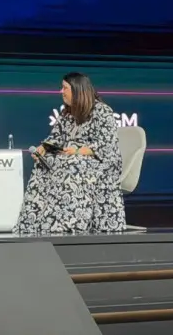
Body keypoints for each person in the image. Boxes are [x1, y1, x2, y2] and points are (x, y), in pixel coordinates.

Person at [14, 72, 125, 235]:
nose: (61, 91)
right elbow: (55, 137)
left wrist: (78, 151)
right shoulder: (67, 114)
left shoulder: (102, 111)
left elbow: (107, 145)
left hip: (99, 163)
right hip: (73, 159)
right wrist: (44, 148)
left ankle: (68, 223)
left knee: (72, 163)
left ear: (77, 90)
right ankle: (33, 224)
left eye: (65, 88)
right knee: (44, 164)